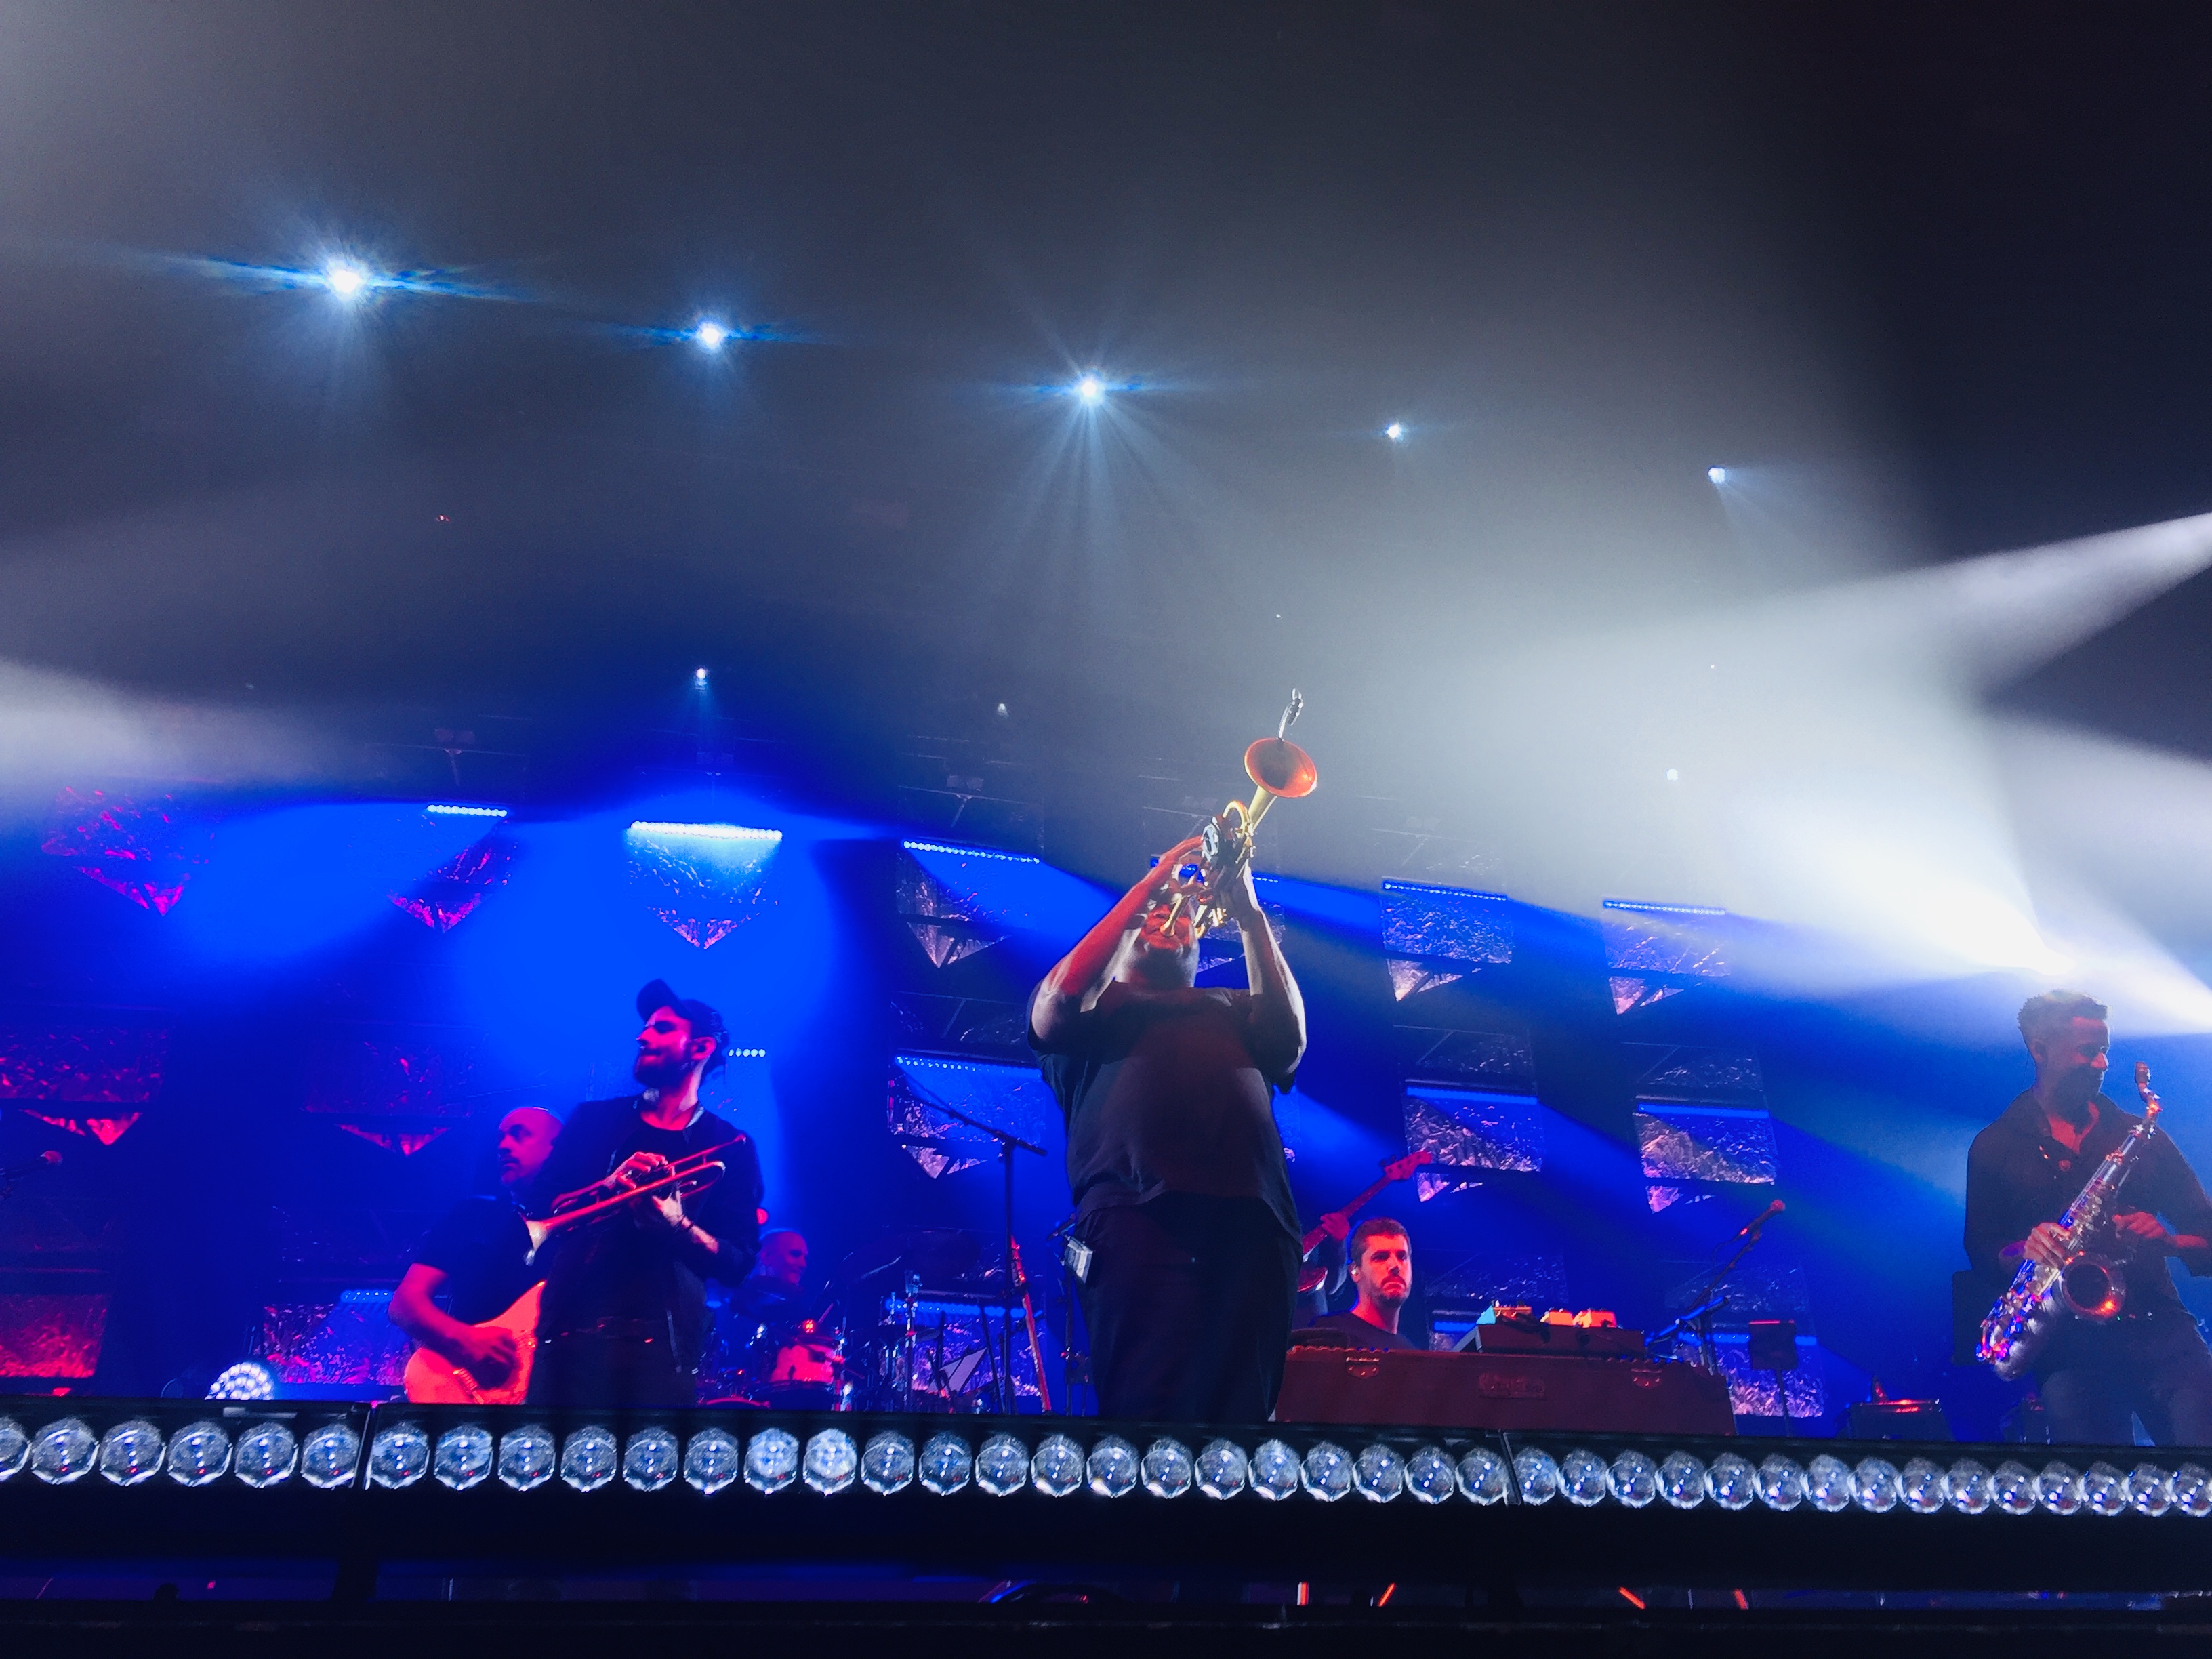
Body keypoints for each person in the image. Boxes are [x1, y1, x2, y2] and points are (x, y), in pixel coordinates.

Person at [1030, 834, 1306, 1422]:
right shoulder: (1093, 1009)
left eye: (1183, 923)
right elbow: (1058, 997)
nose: (1171, 919)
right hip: (1137, 1217)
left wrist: (1247, 905)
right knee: (1144, 1411)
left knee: (1245, 1417)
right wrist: (1150, 886)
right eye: (1153, 916)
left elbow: (1291, 1042)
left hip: (1254, 1222)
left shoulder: (1232, 1005)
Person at [1965, 989, 2212, 1444]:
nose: (2102, 1065)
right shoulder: (1995, 1144)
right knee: (2099, 1491)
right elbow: (1981, 1249)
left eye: (2105, 1051)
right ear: (2039, 1049)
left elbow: (2207, 1235)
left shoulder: (2138, 1135)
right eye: (2088, 1052)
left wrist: (2169, 1243)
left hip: (2162, 1334)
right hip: (2070, 1349)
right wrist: (2024, 1248)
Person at [528, 979, 764, 1406]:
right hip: (568, 1340)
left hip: (662, 1355)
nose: (642, 1036)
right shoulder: (593, 1121)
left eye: (660, 1028)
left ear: (700, 1048)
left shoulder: (731, 1146)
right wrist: (607, 1186)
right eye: (645, 1028)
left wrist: (678, 1225)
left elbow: (738, 1263)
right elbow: (538, 1209)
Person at [389, 1106, 563, 1390]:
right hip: (471, 1388)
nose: (504, 1146)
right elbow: (405, 1304)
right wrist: (464, 1339)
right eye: (501, 1139)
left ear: (559, 1148)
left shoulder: (591, 1222)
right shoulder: (471, 1215)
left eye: (519, 1136)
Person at [1301, 1218, 1418, 1351]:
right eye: (1381, 1257)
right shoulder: (1328, 1335)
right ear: (1355, 1271)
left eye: (1402, 1257)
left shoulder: (1410, 1351)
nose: (1395, 1266)